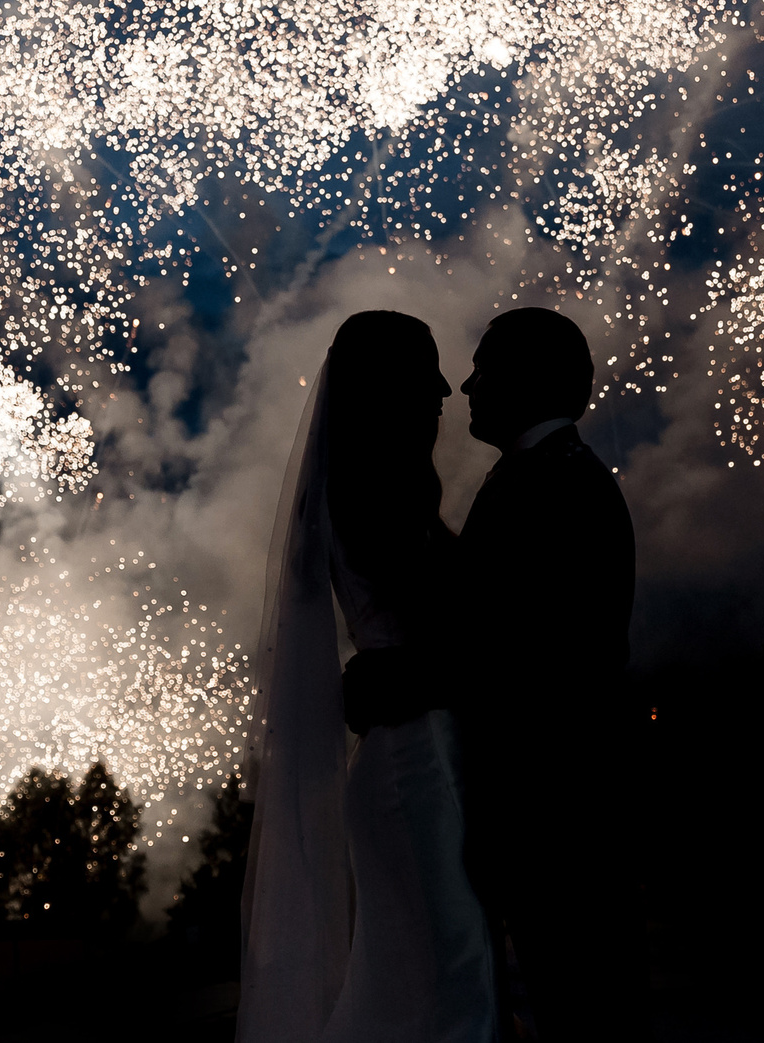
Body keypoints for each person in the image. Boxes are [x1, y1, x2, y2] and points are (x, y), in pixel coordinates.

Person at [239, 311, 496, 1043]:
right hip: (414, 760)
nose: (445, 391)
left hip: (410, 752)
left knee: (424, 975)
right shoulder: (378, 499)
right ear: (390, 386)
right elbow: (446, 637)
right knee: (444, 978)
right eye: (427, 373)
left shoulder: (368, 493)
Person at [453, 306, 636, 1038]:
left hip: (554, 821)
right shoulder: (546, 478)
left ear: (527, 380)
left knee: (579, 1008)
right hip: (551, 819)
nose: (467, 383)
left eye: (485, 366)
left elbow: (530, 661)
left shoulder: (559, 489)